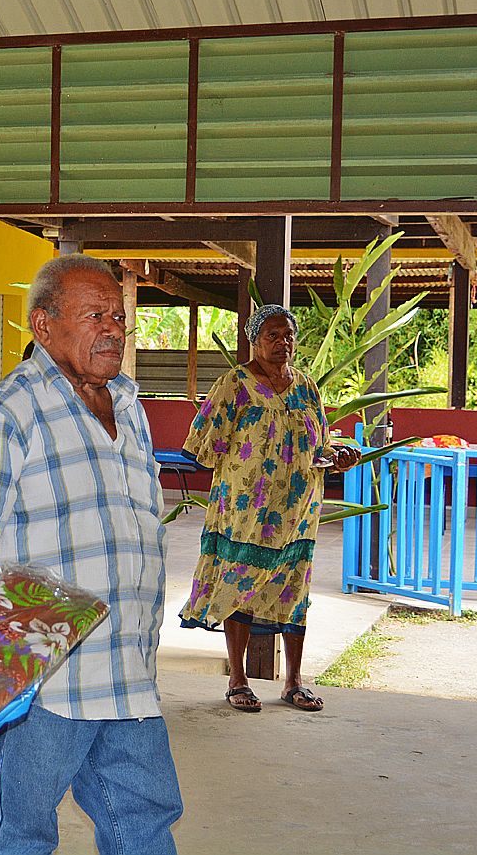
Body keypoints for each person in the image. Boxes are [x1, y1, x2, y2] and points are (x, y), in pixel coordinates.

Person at [0, 254, 183, 855]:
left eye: (120, 317)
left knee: (147, 821)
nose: (113, 329)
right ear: (43, 326)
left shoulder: (128, 406)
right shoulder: (1, 417)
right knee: (24, 833)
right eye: (94, 315)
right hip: (45, 680)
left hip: (130, 670)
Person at [178, 303, 360, 712]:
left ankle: (293, 680)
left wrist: (337, 455)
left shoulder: (306, 387)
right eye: (272, 336)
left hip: (298, 510)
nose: (283, 343)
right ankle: (238, 679)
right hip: (245, 509)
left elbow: (320, 443)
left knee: (294, 588)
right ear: (254, 340)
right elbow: (202, 442)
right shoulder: (236, 383)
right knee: (241, 583)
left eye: (288, 335)